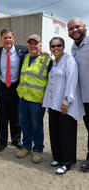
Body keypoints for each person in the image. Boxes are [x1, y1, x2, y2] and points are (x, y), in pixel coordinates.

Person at [43, 37, 85, 174]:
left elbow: (71, 83)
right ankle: (58, 158)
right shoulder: (54, 62)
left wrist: (66, 103)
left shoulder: (69, 61)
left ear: (63, 46)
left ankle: (67, 162)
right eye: (53, 46)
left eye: (58, 45)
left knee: (67, 134)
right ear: (50, 48)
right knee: (55, 132)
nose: (56, 48)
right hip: (54, 105)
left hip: (66, 105)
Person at [16, 34, 52, 163]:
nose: (33, 46)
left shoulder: (47, 60)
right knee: (24, 123)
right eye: (30, 43)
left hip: (37, 99)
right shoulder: (25, 57)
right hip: (23, 97)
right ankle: (26, 147)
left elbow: (50, 80)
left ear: (40, 45)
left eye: (35, 43)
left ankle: (38, 149)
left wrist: (46, 97)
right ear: (27, 46)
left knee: (36, 125)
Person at [0, 29, 28, 152]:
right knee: (1, 117)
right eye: (5, 38)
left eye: (9, 37)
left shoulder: (23, 50)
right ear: (1, 40)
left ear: (13, 38)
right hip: (2, 87)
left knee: (16, 116)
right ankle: (2, 141)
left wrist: (43, 53)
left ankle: (16, 140)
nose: (7, 40)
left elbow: (35, 53)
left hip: (16, 87)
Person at [68, 17, 89, 172]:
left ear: (85, 27)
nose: (74, 30)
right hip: (83, 97)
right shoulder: (73, 48)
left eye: (77, 27)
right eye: (71, 28)